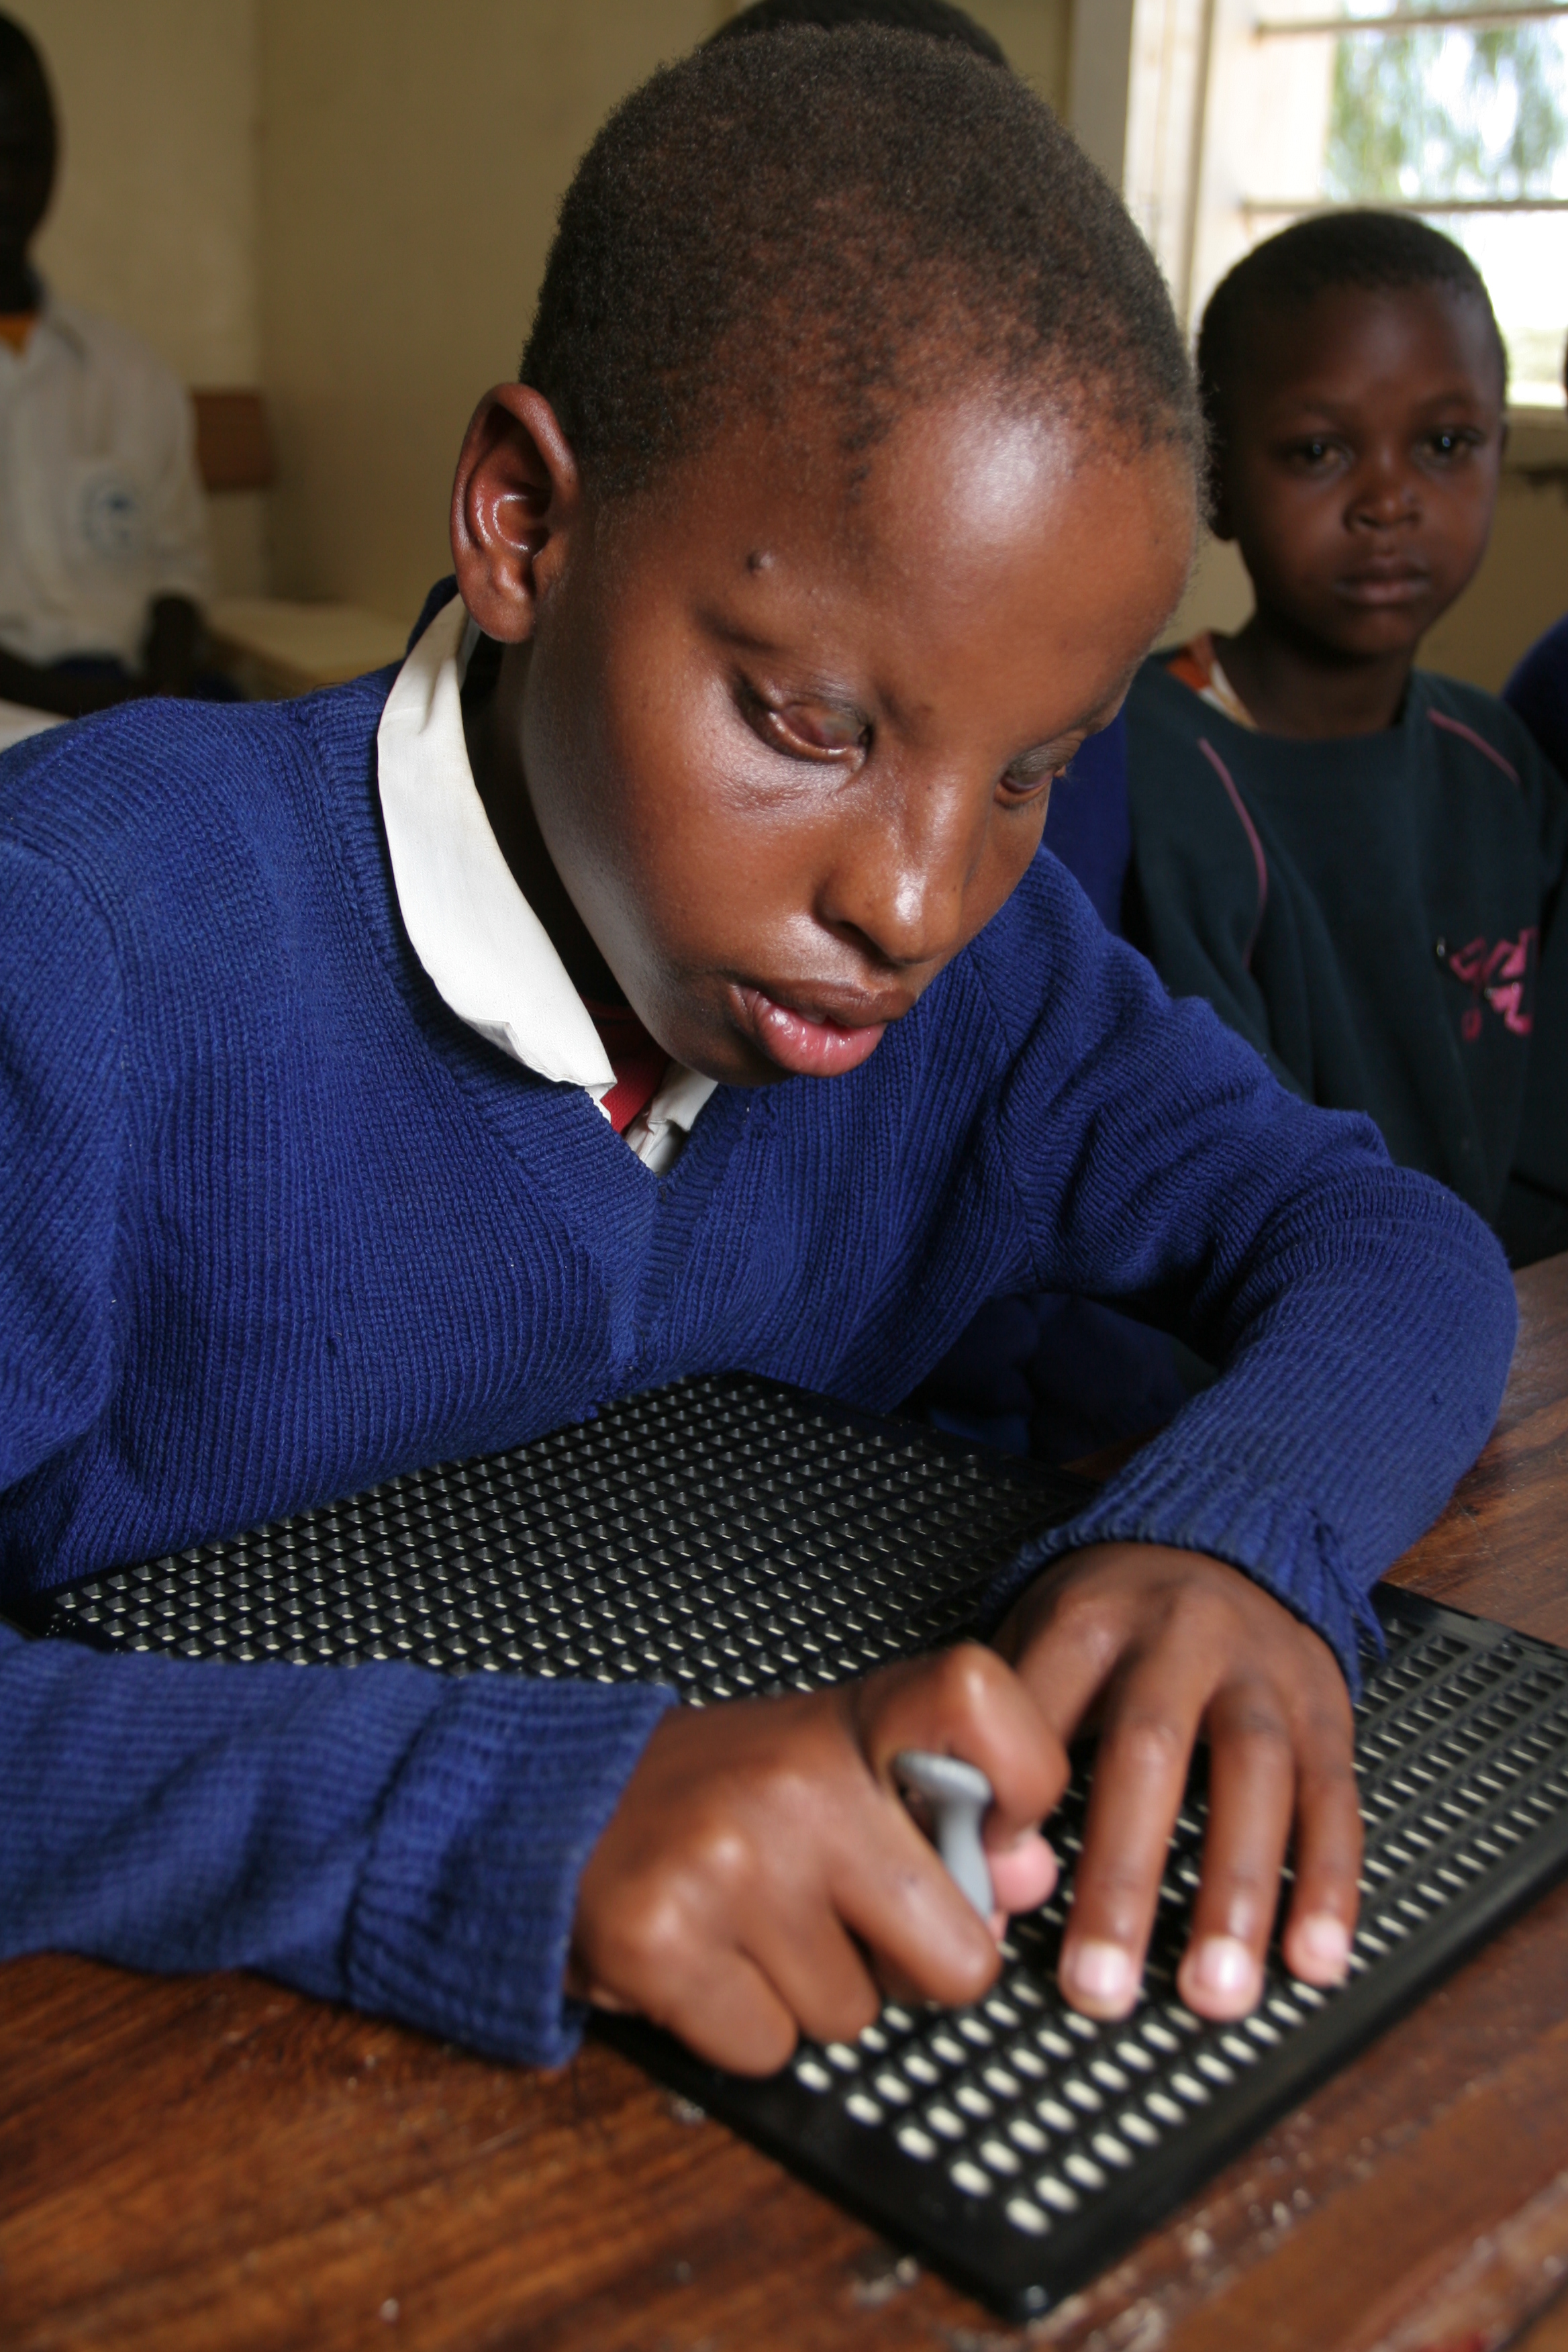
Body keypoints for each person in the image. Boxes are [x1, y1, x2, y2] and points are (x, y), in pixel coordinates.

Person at [1, 35, 1516, 2081]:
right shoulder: (86, 951)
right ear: (524, 521)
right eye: (806, 723)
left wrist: (1238, 1529)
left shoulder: (992, 980)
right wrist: (501, 1815)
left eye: (1032, 772)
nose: (913, 897)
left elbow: (1378, 1233)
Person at [1125, 212, 1568, 1272]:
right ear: (1216, 481)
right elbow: (1199, 1180)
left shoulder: (1502, 768)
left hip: (1508, 1339)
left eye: (1446, 445)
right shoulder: (1141, 766)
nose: (1389, 501)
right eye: (1320, 452)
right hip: (1266, 1343)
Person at [0, 14, 209, 720]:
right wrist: (88, 710)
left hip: (135, 703)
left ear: (57, 153)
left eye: (23, 155)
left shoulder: (131, 373)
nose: (6, 187)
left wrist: (163, 697)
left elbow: (179, 573)